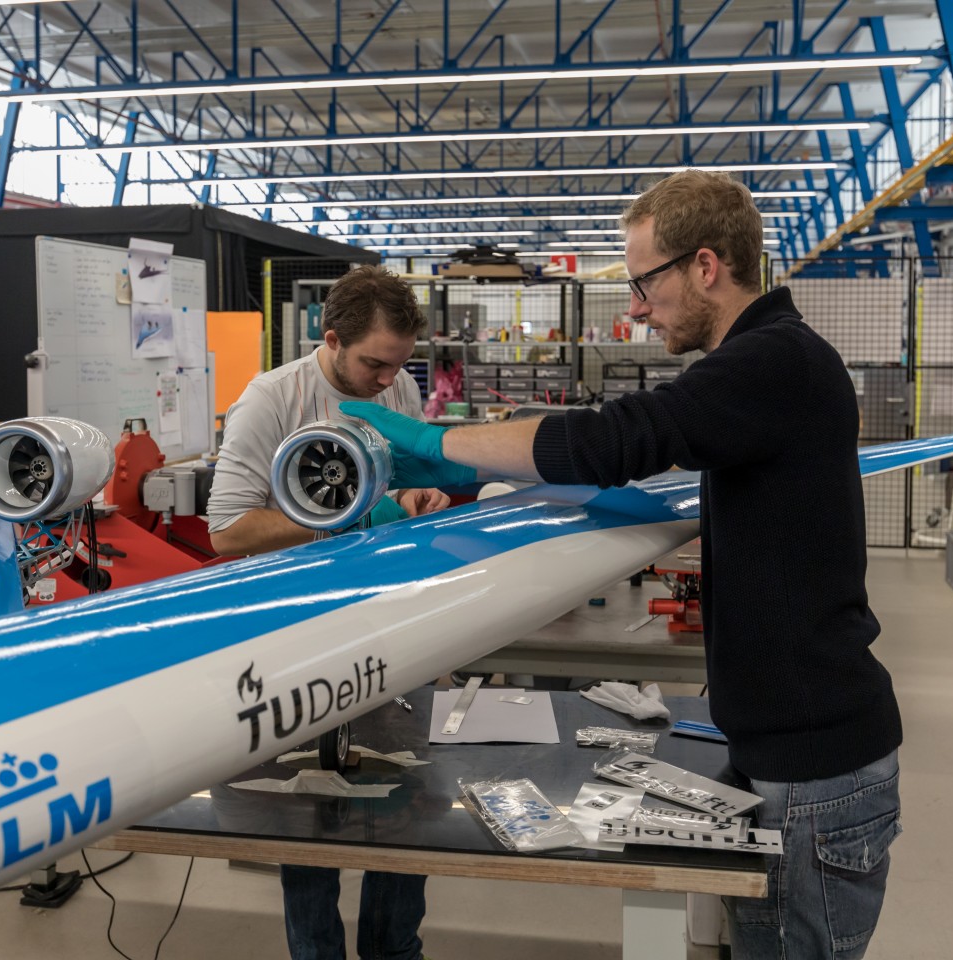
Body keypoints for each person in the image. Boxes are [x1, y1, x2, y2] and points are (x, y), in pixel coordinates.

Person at [342, 170, 902, 960]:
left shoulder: (772, 363)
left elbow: (611, 439)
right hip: (791, 750)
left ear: (706, 266)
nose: (636, 307)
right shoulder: (776, 360)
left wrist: (438, 444)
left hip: (811, 774)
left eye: (644, 282)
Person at [207, 264, 445, 960]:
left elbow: (406, 480)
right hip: (299, 629)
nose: (386, 382)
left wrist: (417, 499)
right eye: (374, 363)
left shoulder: (397, 383)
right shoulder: (271, 400)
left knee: (406, 800)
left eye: (398, 366)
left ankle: (394, 951)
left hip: (386, 618)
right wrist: (339, 516)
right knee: (305, 816)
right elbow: (226, 531)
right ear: (332, 338)